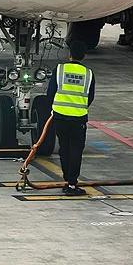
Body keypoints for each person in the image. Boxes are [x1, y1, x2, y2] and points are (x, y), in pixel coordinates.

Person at [49, 39, 95, 196]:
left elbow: (51, 92)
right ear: (84, 56)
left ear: (70, 54)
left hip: (60, 116)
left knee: (64, 148)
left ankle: (67, 179)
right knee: (76, 150)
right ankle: (72, 184)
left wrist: (55, 108)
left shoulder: (59, 69)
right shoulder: (88, 74)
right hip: (78, 118)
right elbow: (90, 97)